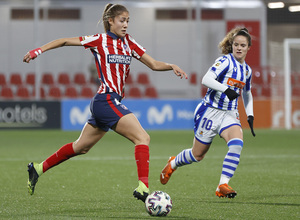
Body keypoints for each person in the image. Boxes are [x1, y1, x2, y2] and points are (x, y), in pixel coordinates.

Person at [23, 3, 187, 203]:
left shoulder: (130, 43)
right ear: (111, 21)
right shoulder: (99, 40)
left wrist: (171, 66)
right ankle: (143, 187)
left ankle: (38, 168)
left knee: (81, 147)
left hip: (108, 101)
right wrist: (38, 51)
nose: (126, 24)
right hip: (105, 99)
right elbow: (65, 41)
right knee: (142, 138)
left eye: (128, 21)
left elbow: (153, 64)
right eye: (122, 20)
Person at [160, 27, 255, 199]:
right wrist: (226, 89)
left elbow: (247, 93)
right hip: (210, 112)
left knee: (236, 144)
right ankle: (173, 163)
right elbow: (206, 79)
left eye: (242, 45)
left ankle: (222, 185)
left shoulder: (247, 71)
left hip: (229, 113)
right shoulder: (225, 62)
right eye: (236, 45)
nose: (239, 48)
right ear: (232, 45)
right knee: (197, 155)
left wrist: (250, 114)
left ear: (249, 47)